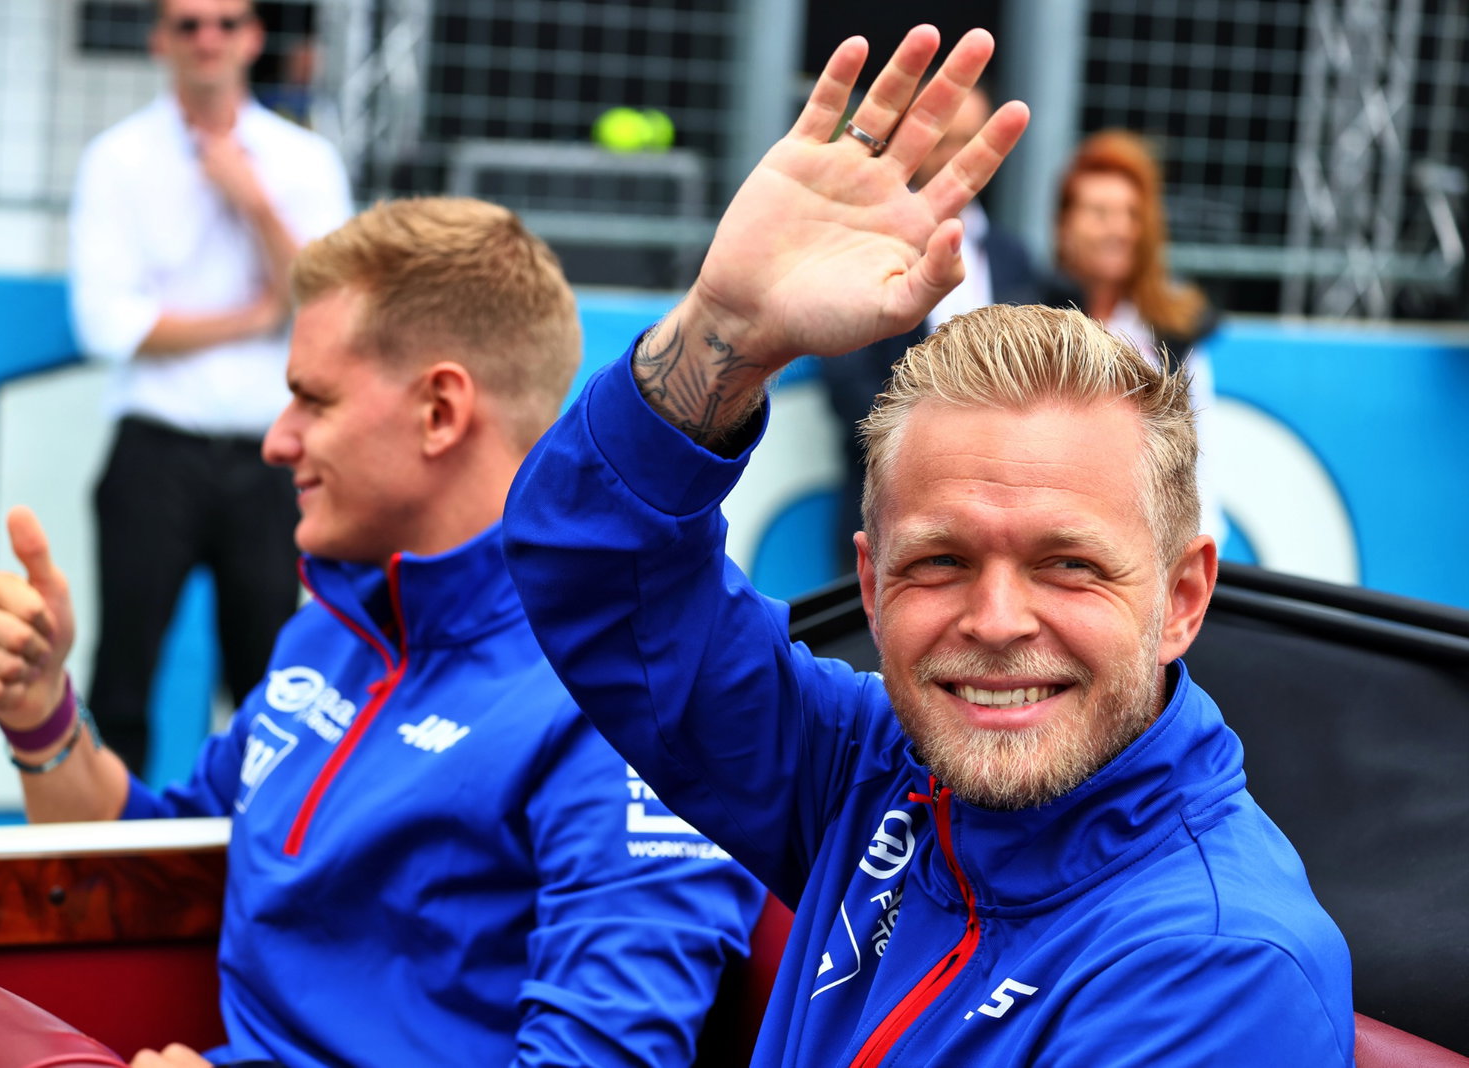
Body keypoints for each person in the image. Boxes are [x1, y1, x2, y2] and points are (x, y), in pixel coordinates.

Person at [503, 24, 1353, 1067]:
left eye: (1068, 565)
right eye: (938, 563)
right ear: (866, 579)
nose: (995, 622)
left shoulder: (1219, 969)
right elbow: (595, 573)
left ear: (1183, 597)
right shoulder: (869, 770)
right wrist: (725, 327)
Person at [0, 197, 764, 1068]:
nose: (275, 440)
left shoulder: (624, 699)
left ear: (440, 412)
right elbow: (142, 877)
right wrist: (40, 711)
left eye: (311, 399)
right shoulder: (333, 633)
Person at [68, 0, 353, 776]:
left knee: (270, 682)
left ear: (253, 38)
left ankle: (258, 866)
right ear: (161, 39)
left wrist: (252, 199)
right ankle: (108, 872)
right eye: (188, 24)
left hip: (269, 458)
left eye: (226, 23)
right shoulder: (117, 159)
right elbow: (106, 325)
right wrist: (254, 316)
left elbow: (332, 304)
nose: (208, 39)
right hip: (154, 448)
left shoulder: (302, 163)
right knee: (122, 675)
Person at [817, 80, 1063, 573]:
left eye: (971, 141)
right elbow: (849, 383)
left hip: (1006, 522)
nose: (958, 156)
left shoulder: (1012, 258)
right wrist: (945, 450)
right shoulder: (868, 244)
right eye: (947, 139)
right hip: (891, 510)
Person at [1055, 129, 1226, 541]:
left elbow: (1200, 461)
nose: (1117, 229)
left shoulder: (1172, 331)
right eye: (1099, 213)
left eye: (1131, 214)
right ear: (1064, 225)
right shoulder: (1024, 314)